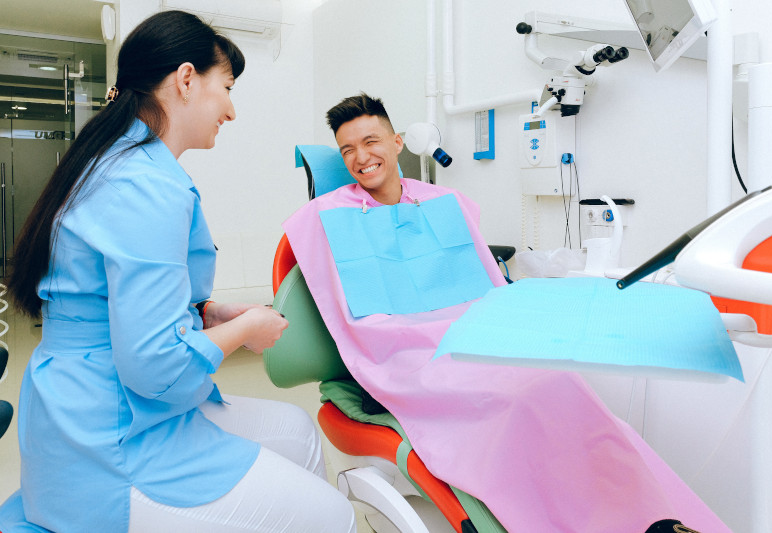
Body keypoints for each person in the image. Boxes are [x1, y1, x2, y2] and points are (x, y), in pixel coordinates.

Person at [281, 93, 731, 532]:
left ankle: (645, 514)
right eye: (348, 150)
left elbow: (489, 284)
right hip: (405, 359)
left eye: (371, 141)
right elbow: (335, 303)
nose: (361, 156)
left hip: (476, 337)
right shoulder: (325, 220)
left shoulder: (444, 204)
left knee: (558, 382)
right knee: (514, 404)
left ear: (397, 142)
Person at [0, 11, 355, 533]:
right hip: (111, 441)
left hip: (87, 406)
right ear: (186, 80)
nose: (231, 111)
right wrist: (246, 330)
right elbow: (155, 367)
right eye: (227, 88)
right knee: (335, 516)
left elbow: (108, 297)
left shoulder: (118, 164)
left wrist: (207, 312)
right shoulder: (145, 186)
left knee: (297, 428)